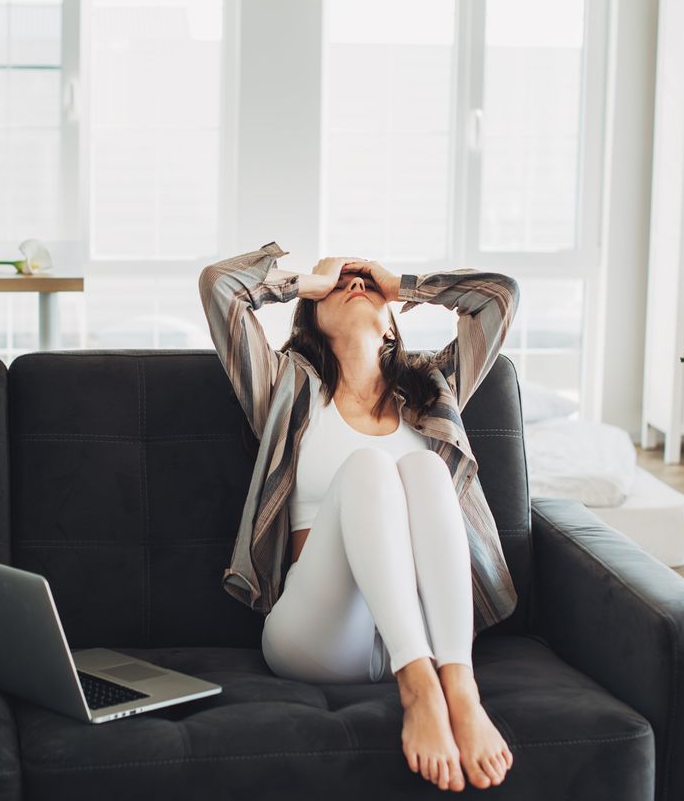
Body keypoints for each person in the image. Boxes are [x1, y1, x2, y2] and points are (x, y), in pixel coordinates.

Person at [198, 243, 522, 792]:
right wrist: (306, 282)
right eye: (341, 282)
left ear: (393, 326)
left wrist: (404, 284)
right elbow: (219, 287)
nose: (354, 284)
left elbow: (499, 297)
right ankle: (420, 688)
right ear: (312, 318)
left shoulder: (432, 392)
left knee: (423, 467)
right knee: (368, 468)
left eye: (367, 284)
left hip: (425, 622)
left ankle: (458, 685)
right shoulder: (286, 389)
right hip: (319, 630)